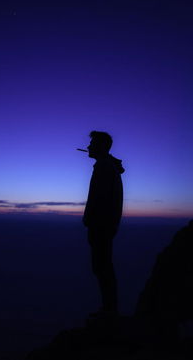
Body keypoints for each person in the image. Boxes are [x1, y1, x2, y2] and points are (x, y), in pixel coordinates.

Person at [83, 131, 124, 318]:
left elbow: (102, 199)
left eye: (92, 144)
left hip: (101, 226)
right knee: (102, 265)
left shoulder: (104, 167)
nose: (89, 147)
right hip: (104, 225)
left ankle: (109, 310)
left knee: (102, 266)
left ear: (100, 146)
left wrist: (92, 221)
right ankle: (109, 308)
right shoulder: (106, 165)